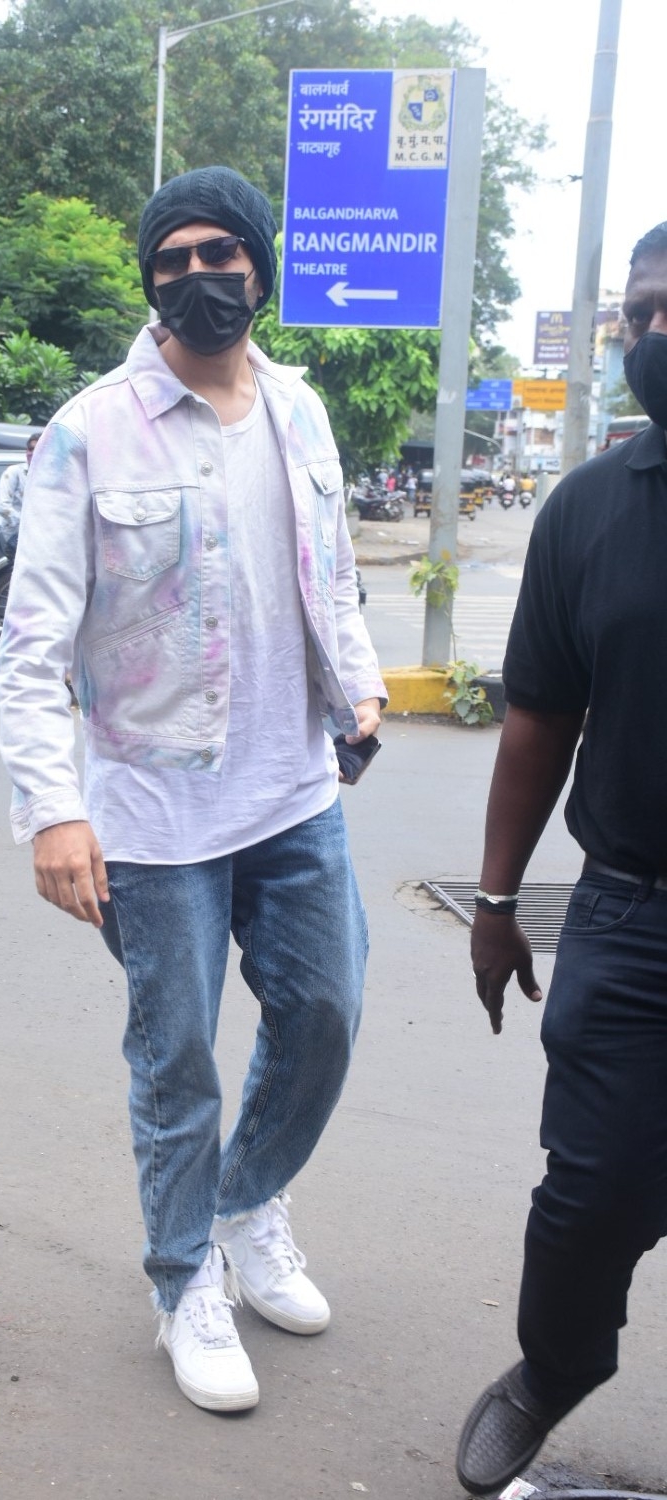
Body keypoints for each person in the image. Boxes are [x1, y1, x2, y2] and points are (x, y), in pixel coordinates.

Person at [0, 165, 385, 1414]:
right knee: (176, 1064)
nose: (196, 277)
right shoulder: (88, 428)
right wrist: (55, 810)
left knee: (323, 1012)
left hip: (293, 791)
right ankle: (183, 1282)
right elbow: (32, 640)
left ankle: (244, 1203)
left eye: (221, 254)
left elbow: (330, 575)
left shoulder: (303, 410)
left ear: (260, 268)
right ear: (150, 276)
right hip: (154, 818)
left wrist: (360, 686)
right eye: (172, 257)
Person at [455, 221, 667, 1495]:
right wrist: (495, 904)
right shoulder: (591, 507)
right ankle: (551, 1374)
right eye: (640, 312)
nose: (656, 335)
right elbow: (540, 714)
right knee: (586, 1197)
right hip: (632, 917)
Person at [0, 433, 38, 543]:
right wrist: (28, 525)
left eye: (37, 449)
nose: (32, 453)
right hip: (16, 535)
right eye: (30, 449)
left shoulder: (50, 476)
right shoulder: (15, 472)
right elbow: (2, 506)